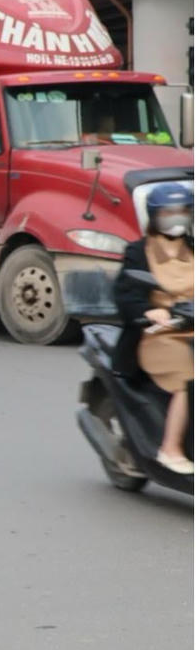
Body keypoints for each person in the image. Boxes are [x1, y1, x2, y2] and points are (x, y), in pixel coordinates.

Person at [113, 182, 194, 474]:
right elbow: (125, 294)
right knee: (190, 377)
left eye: (182, 211)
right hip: (158, 334)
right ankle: (170, 449)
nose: (176, 218)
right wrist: (150, 311)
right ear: (155, 216)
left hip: (192, 329)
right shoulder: (138, 252)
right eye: (168, 212)